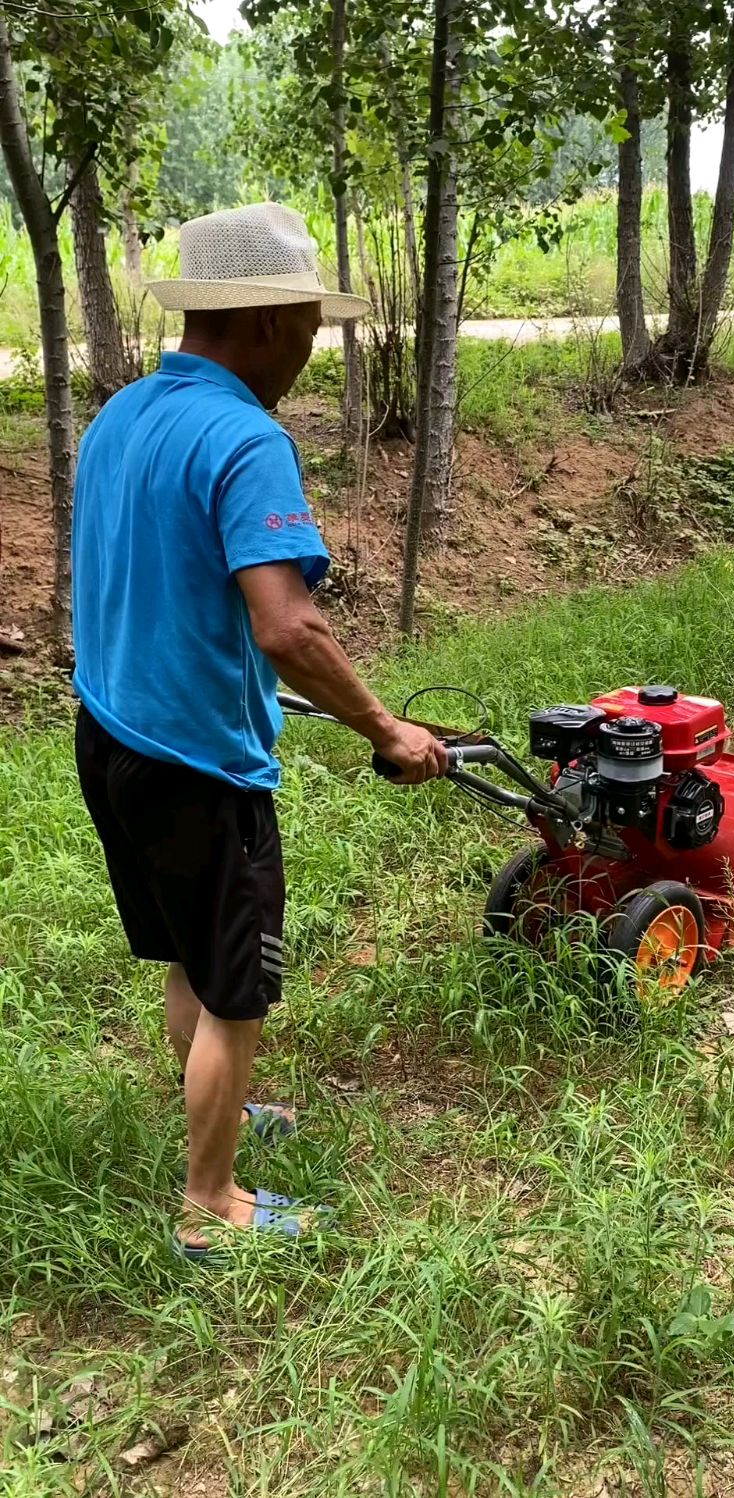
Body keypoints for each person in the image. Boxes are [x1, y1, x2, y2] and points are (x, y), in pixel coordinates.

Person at [71, 202, 446, 1258]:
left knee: (189, 958)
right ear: (273, 319)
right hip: (195, 763)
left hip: (109, 736)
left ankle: (220, 1119)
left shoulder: (122, 416)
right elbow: (289, 624)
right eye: (312, 324)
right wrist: (384, 727)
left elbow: (141, 580)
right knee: (237, 990)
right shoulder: (245, 436)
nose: (314, 346)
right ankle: (213, 1206)